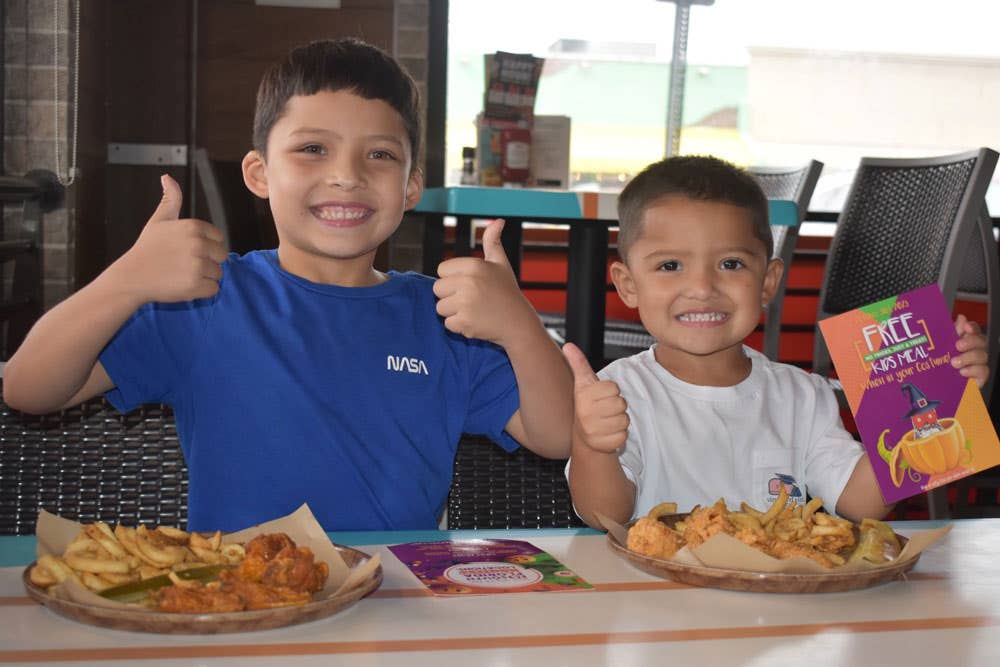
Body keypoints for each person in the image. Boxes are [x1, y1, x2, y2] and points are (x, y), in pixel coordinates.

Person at [2, 38, 572, 532]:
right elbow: (27, 388)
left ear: (410, 186)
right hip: (241, 605)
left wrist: (521, 327)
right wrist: (124, 281)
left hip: (394, 602)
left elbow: (559, 436)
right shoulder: (206, 303)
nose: (346, 175)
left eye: (379, 154)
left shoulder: (445, 318)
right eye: (312, 149)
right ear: (259, 173)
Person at [562, 155, 990, 528]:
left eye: (730, 263)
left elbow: (863, 504)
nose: (702, 286)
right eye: (670, 265)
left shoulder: (803, 396)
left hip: (774, 610)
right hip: (655, 604)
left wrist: (945, 394)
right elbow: (605, 515)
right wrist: (591, 444)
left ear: (767, 282)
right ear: (628, 284)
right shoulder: (618, 392)